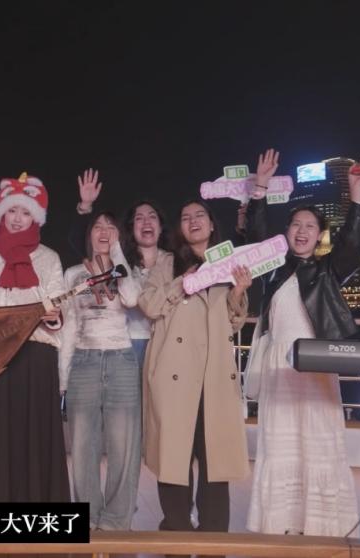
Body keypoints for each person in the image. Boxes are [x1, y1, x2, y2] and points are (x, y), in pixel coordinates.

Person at [244, 149, 360, 536]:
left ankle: (321, 525)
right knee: (280, 446)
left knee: (318, 444)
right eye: (296, 225)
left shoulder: (328, 270)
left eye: (310, 227)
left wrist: (356, 192)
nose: (301, 231)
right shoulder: (273, 270)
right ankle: (280, 524)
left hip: (316, 371)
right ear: (286, 232)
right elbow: (254, 236)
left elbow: (354, 243)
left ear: (319, 236)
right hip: (279, 372)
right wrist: (260, 186)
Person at [138, 200, 252, 538]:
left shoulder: (227, 263)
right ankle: (176, 529)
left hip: (212, 373)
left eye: (200, 215)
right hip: (174, 373)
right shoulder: (166, 263)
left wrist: (238, 292)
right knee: (174, 456)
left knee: (215, 456)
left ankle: (214, 533)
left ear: (212, 224)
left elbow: (234, 322)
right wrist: (182, 282)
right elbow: (149, 304)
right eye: (185, 217)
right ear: (180, 228)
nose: (193, 221)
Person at [0, 172, 70, 502]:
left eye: (26, 212)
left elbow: (59, 304)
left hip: (37, 355)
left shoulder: (49, 257)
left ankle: (40, 509)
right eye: (12, 210)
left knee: (38, 433)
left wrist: (54, 314)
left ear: (36, 217)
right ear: (1, 213)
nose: (17, 218)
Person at [59, 210, 141, 530]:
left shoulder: (126, 270)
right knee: (82, 446)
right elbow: (68, 326)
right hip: (84, 360)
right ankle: (88, 516)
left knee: (124, 446)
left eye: (111, 227)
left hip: (121, 360)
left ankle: (117, 521)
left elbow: (131, 298)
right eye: (98, 226)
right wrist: (63, 377)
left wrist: (117, 254)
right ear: (89, 234)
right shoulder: (73, 274)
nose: (104, 231)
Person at [68, 168, 171, 368]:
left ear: (160, 226)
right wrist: (85, 206)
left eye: (152, 217)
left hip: (163, 341)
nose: (146, 222)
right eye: (139, 218)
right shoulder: (121, 258)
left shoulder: (172, 260)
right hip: (126, 342)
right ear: (131, 228)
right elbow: (84, 242)